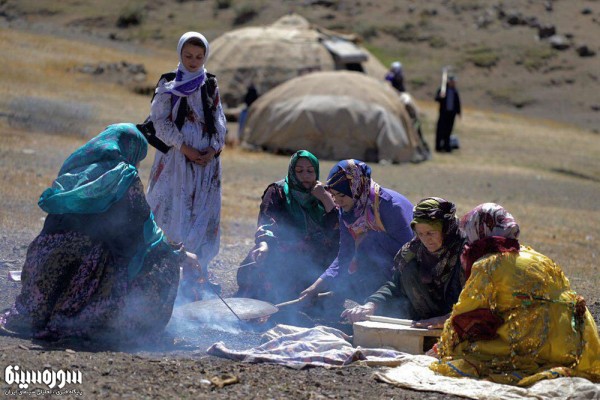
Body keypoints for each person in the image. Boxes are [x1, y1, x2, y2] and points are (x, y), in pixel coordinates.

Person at [0, 123, 203, 344]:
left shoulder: (76, 168)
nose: (136, 164)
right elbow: (142, 228)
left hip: (41, 265)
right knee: (161, 260)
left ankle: (38, 315)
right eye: (138, 158)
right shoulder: (123, 176)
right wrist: (179, 253)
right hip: (85, 270)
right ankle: (133, 326)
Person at [429, 203, 600, 386]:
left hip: (534, 342)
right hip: (572, 340)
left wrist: (442, 347)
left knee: (468, 351)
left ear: (477, 230)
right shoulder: (537, 256)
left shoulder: (487, 264)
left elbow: (466, 313)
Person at [146, 32, 227, 287]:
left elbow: (219, 119)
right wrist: (184, 148)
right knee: (172, 209)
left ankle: (197, 275)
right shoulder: (169, 82)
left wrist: (213, 149)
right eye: (188, 56)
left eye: (199, 57)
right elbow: (160, 120)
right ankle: (165, 271)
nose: (193, 61)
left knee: (203, 210)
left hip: (206, 164)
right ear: (180, 53)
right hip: (176, 160)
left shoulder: (210, 83)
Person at [300, 159, 414, 317]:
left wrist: (385, 293)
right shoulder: (347, 211)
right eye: (333, 195)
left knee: (369, 240)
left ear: (357, 188)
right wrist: (315, 287)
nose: (337, 201)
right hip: (377, 270)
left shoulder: (390, 206)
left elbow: (409, 253)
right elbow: (345, 256)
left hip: (405, 272)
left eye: (341, 195)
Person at [341, 197, 466, 328]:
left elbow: (476, 300)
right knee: (408, 270)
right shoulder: (413, 252)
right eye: (420, 234)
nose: (426, 240)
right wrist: (370, 305)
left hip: (461, 322)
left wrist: (447, 319)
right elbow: (395, 285)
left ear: (446, 229)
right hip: (424, 324)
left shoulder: (466, 253)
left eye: (431, 233)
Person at [235, 150, 339, 305]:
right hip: (283, 251)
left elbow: (338, 229)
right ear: (292, 172)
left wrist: (325, 198)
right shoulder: (278, 191)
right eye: (299, 171)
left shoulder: (323, 194)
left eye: (310, 171)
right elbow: (267, 219)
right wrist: (264, 243)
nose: (305, 176)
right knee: (258, 264)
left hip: (314, 256)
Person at [434, 74, 461, 153]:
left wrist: (458, 112)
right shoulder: (442, 90)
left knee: (448, 130)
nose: (454, 83)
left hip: (451, 114)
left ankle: (446, 146)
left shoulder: (455, 91)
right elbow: (436, 99)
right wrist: (440, 96)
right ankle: (438, 147)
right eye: (452, 82)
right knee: (440, 130)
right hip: (443, 114)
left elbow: (457, 102)